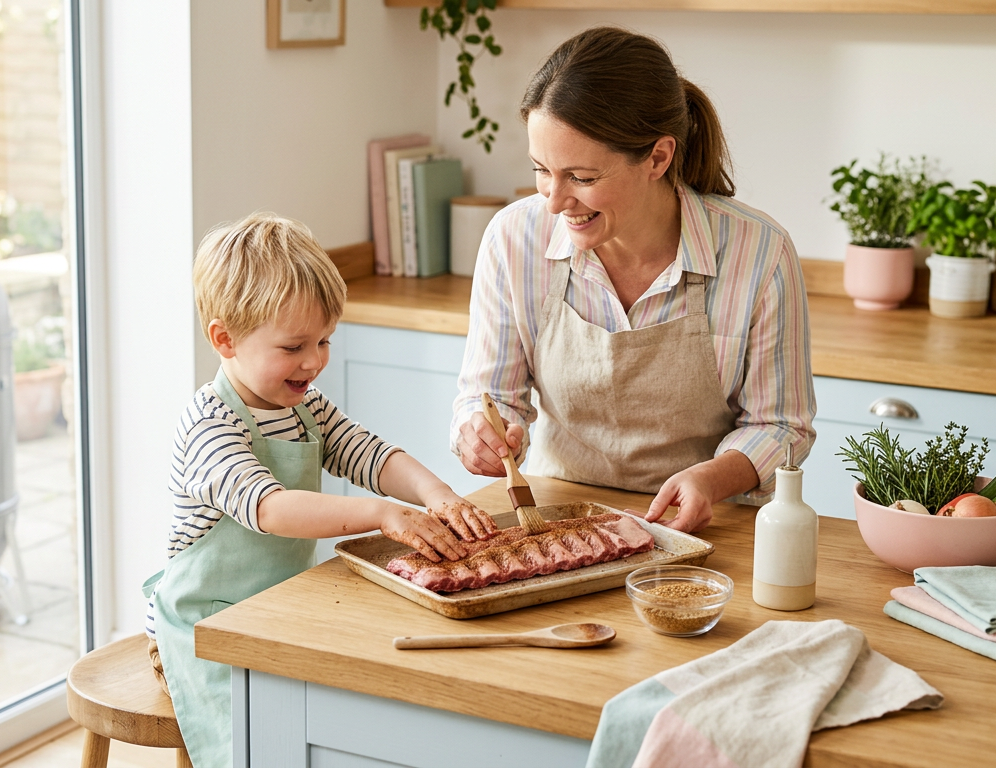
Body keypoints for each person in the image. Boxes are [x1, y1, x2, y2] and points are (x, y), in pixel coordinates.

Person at [144, 212, 495, 768]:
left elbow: (370, 454)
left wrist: (437, 494)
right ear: (224, 339)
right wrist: (382, 514)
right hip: (204, 631)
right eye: (294, 346)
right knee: (261, 744)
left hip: (277, 605)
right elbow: (272, 508)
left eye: (325, 340)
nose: (314, 361)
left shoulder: (303, 405)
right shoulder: (209, 426)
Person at [451, 26, 816, 534]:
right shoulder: (514, 239)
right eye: (541, 170)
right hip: (558, 525)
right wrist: (479, 433)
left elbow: (780, 425)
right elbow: (488, 395)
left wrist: (711, 479)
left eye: (582, 177)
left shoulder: (759, 253)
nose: (554, 201)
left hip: (708, 530)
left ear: (658, 158)